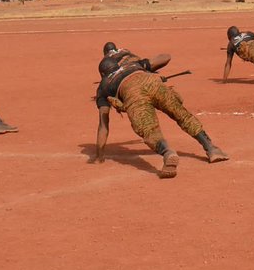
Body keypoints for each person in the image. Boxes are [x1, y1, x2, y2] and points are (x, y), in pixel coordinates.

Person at [93, 55, 227, 178]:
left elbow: (103, 125)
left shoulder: (103, 86)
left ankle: (168, 153)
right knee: (182, 115)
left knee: (148, 130)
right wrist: (150, 71)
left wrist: (99, 156)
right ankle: (212, 149)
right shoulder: (132, 65)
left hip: (133, 94)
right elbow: (166, 57)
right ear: (117, 66)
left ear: (103, 74)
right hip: (152, 82)